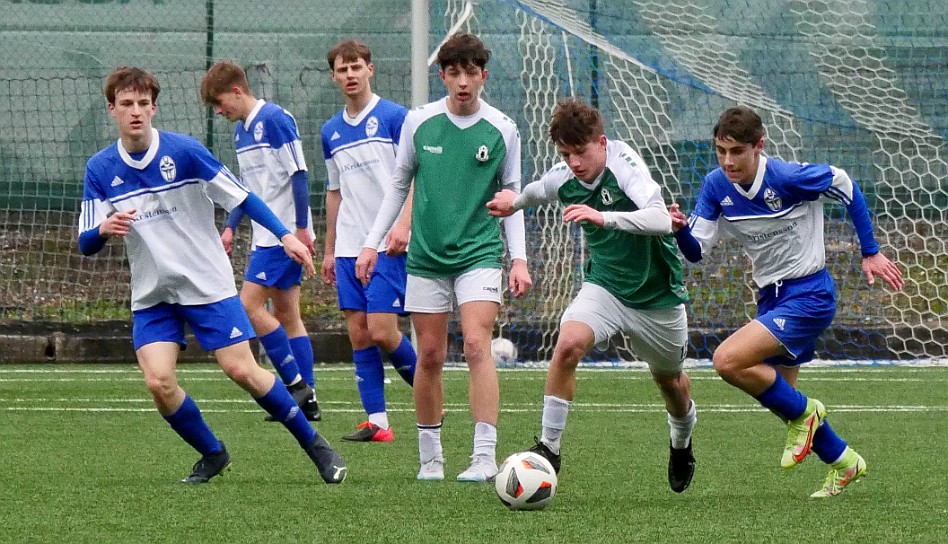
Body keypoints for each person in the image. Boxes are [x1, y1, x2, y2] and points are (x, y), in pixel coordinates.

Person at [78, 66, 346, 484]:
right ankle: (213, 453)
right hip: (153, 294)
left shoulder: (185, 151)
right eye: (126, 104)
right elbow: (84, 242)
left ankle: (316, 446)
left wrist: (286, 236)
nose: (136, 112)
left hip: (207, 284)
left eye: (143, 104)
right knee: (159, 382)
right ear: (112, 109)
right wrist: (102, 230)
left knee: (242, 371)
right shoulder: (100, 168)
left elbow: (243, 196)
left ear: (154, 108)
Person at [669, 105, 904, 498]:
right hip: (771, 299)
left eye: (737, 152)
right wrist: (679, 231)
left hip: (809, 294)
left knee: (727, 361)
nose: (728, 161)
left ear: (758, 147)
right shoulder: (715, 186)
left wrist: (870, 250)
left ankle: (810, 414)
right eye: (721, 151)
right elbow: (697, 252)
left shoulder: (790, 178)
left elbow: (844, 183)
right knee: (785, 401)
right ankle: (844, 462)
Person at [487, 98, 698, 493]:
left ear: (601, 142)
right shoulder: (563, 176)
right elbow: (536, 191)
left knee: (672, 383)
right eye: (566, 154)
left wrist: (604, 217)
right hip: (604, 287)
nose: (574, 162)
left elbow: (659, 219)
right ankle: (550, 448)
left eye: (581, 152)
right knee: (567, 345)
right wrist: (512, 202)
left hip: (657, 298)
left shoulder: (625, 166)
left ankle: (681, 442)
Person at [355, 32, 533, 482]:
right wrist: (372, 243)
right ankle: (431, 459)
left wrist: (519, 259)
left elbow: (510, 198)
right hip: (427, 256)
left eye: (471, 73)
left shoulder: (503, 130)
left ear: (483, 75)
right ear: (443, 76)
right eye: (454, 73)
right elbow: (399, 185)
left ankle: (484, 457)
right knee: (429, 354)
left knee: (476, 344)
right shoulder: (419, 123)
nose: (463, 82)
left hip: (479, 251)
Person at [200, 61, 321, 422]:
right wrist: (231, 227)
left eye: (220, 103)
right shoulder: (241, 132)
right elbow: (243, 189)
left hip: (282, 237)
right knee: (287, 315)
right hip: (264, 236)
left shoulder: (276, 119)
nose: (219, 111)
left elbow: (299, 173)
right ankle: (308, 400)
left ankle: (295, 384)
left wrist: (300, 229)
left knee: (249, 308)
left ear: (238, 91)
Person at [320, 40, 417, 443]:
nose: (350, 75)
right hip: (347, 248)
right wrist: (328, 250)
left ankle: (432, 396)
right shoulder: (330, 131)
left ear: (370, 70)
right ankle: (377, 422)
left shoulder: (396, 117)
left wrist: (404, 227)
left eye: (356, 67)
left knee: (382, 329)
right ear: (334, 76)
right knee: (359, 334)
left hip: (388, 243)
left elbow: (417, 176)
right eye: (342, 70)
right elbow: (334, 192)